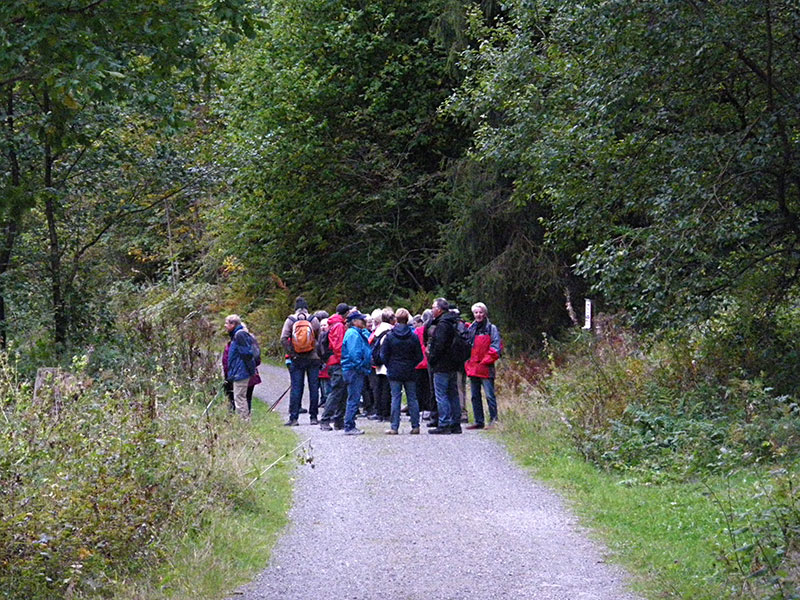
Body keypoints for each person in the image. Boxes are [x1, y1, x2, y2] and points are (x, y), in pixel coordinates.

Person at [381, 308, 423, 434]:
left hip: (394, 369)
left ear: (396, 319)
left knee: (395, 398)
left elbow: (383, 355)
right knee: (412, 398)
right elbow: (419, 356)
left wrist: (390, 365)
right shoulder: (413, 336)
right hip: (410, 369)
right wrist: (412, 364)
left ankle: (394, 427)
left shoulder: (390, 336)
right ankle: (415, 426)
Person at [280, 296, 321, 426]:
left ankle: (294, 418)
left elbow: (283, 338)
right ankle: (313, 417)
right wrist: (317, 352)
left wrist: (292, 353)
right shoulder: (313, 319)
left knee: (296, 387)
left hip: (297, 359)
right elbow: (320, 338)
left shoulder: (290, 320)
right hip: (313, 358)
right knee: (314, 387)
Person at [426, 298, 463, 434]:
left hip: (442, 364)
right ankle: (455, 423)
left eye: (433, 307)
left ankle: (444, 423)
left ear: (439, 310)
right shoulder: (454, 322)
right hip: (453, 363)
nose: (431, 310)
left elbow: (439, 345)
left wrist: (432, 358)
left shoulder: (442, 324)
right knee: (453, 394)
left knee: (441, 395)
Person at [465, 302, 502, 429]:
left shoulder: (492, 329)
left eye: (480, 312)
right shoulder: (470, 329)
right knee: (475, 396)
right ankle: (478, 421)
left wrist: (484, 361)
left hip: (486, 368)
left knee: (489, 395)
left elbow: (496, 348)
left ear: (485, 313)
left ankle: (494, 420)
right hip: (473, 368)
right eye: (476, 312)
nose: (478, 315)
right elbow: (466, 348)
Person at [319, 303, 350, 431]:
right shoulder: (338, 326)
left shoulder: (334, 324)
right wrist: (343, 359)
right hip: (337, 363)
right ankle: (325, 419)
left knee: (343, 392)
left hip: (335, 362)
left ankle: (339, 420)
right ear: (346, 313)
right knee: (336, 392)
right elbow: (338, 346)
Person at [341, 310, 372, 435]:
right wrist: (361, 367)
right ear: (354, 322)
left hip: (353, 369)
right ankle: (349, 426)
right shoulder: (353, 334)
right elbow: (354, 355)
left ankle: (350, 424)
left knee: (353, 397)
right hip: (354, 370)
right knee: (353, 398)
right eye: (361, 319)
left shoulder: (355, 333)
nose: (363, 322)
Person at [224, 314, 257, 420]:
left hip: (241, 372)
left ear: (233, 324)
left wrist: (249, 370)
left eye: (227, 323)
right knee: (239, 397)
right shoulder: (237, 335)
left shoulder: (240, 335)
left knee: (239, 398)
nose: (225, 326)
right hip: (238, 371)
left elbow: (247, 354)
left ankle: (244, 421)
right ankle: (244, 420)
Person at [370, 307, 394, 421]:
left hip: (378, 363)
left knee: (378, 388)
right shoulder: (389, 331)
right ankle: (386, 413)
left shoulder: (377, 331)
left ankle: (379, 411)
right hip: (386, 363)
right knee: (386, 389)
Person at [317, 317, 330, 409]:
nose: (322, 327)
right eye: (321, 325)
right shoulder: (320, 336)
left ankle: (328, 403)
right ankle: (325, 400)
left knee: (328, 386)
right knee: (323, 386)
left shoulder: (329, 336)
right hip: (322, 365)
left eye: (325, 325)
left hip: (329, 365)